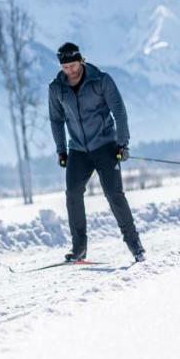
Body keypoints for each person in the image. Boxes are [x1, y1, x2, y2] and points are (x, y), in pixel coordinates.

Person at [48, 42, 145, 263]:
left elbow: (119, 112)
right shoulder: (56, 88)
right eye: (65, 67)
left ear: (80, 60)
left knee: (114, 194)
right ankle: (79, 248)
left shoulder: (101, 80)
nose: (70, 71)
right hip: (78, 150)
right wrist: (61, 149)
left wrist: (122, 143)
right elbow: (56, 119)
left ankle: (135, 245)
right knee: (72, 194)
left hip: (105, 146)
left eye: (73, 65)